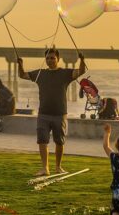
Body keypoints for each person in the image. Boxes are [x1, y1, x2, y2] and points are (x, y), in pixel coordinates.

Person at [18, 48, 86, 176]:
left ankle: (58, 167)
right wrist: (20, 64)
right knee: (42, 140)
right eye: (48, 58)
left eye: (52, 58)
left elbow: (81, 71)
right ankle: (45, 168)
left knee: (59, 141)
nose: (50, 60)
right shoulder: (40, 73)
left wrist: (82, 60)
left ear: (58, 59)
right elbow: (22, 75)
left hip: (60, 113)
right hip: (43, 113)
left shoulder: (65, 73)